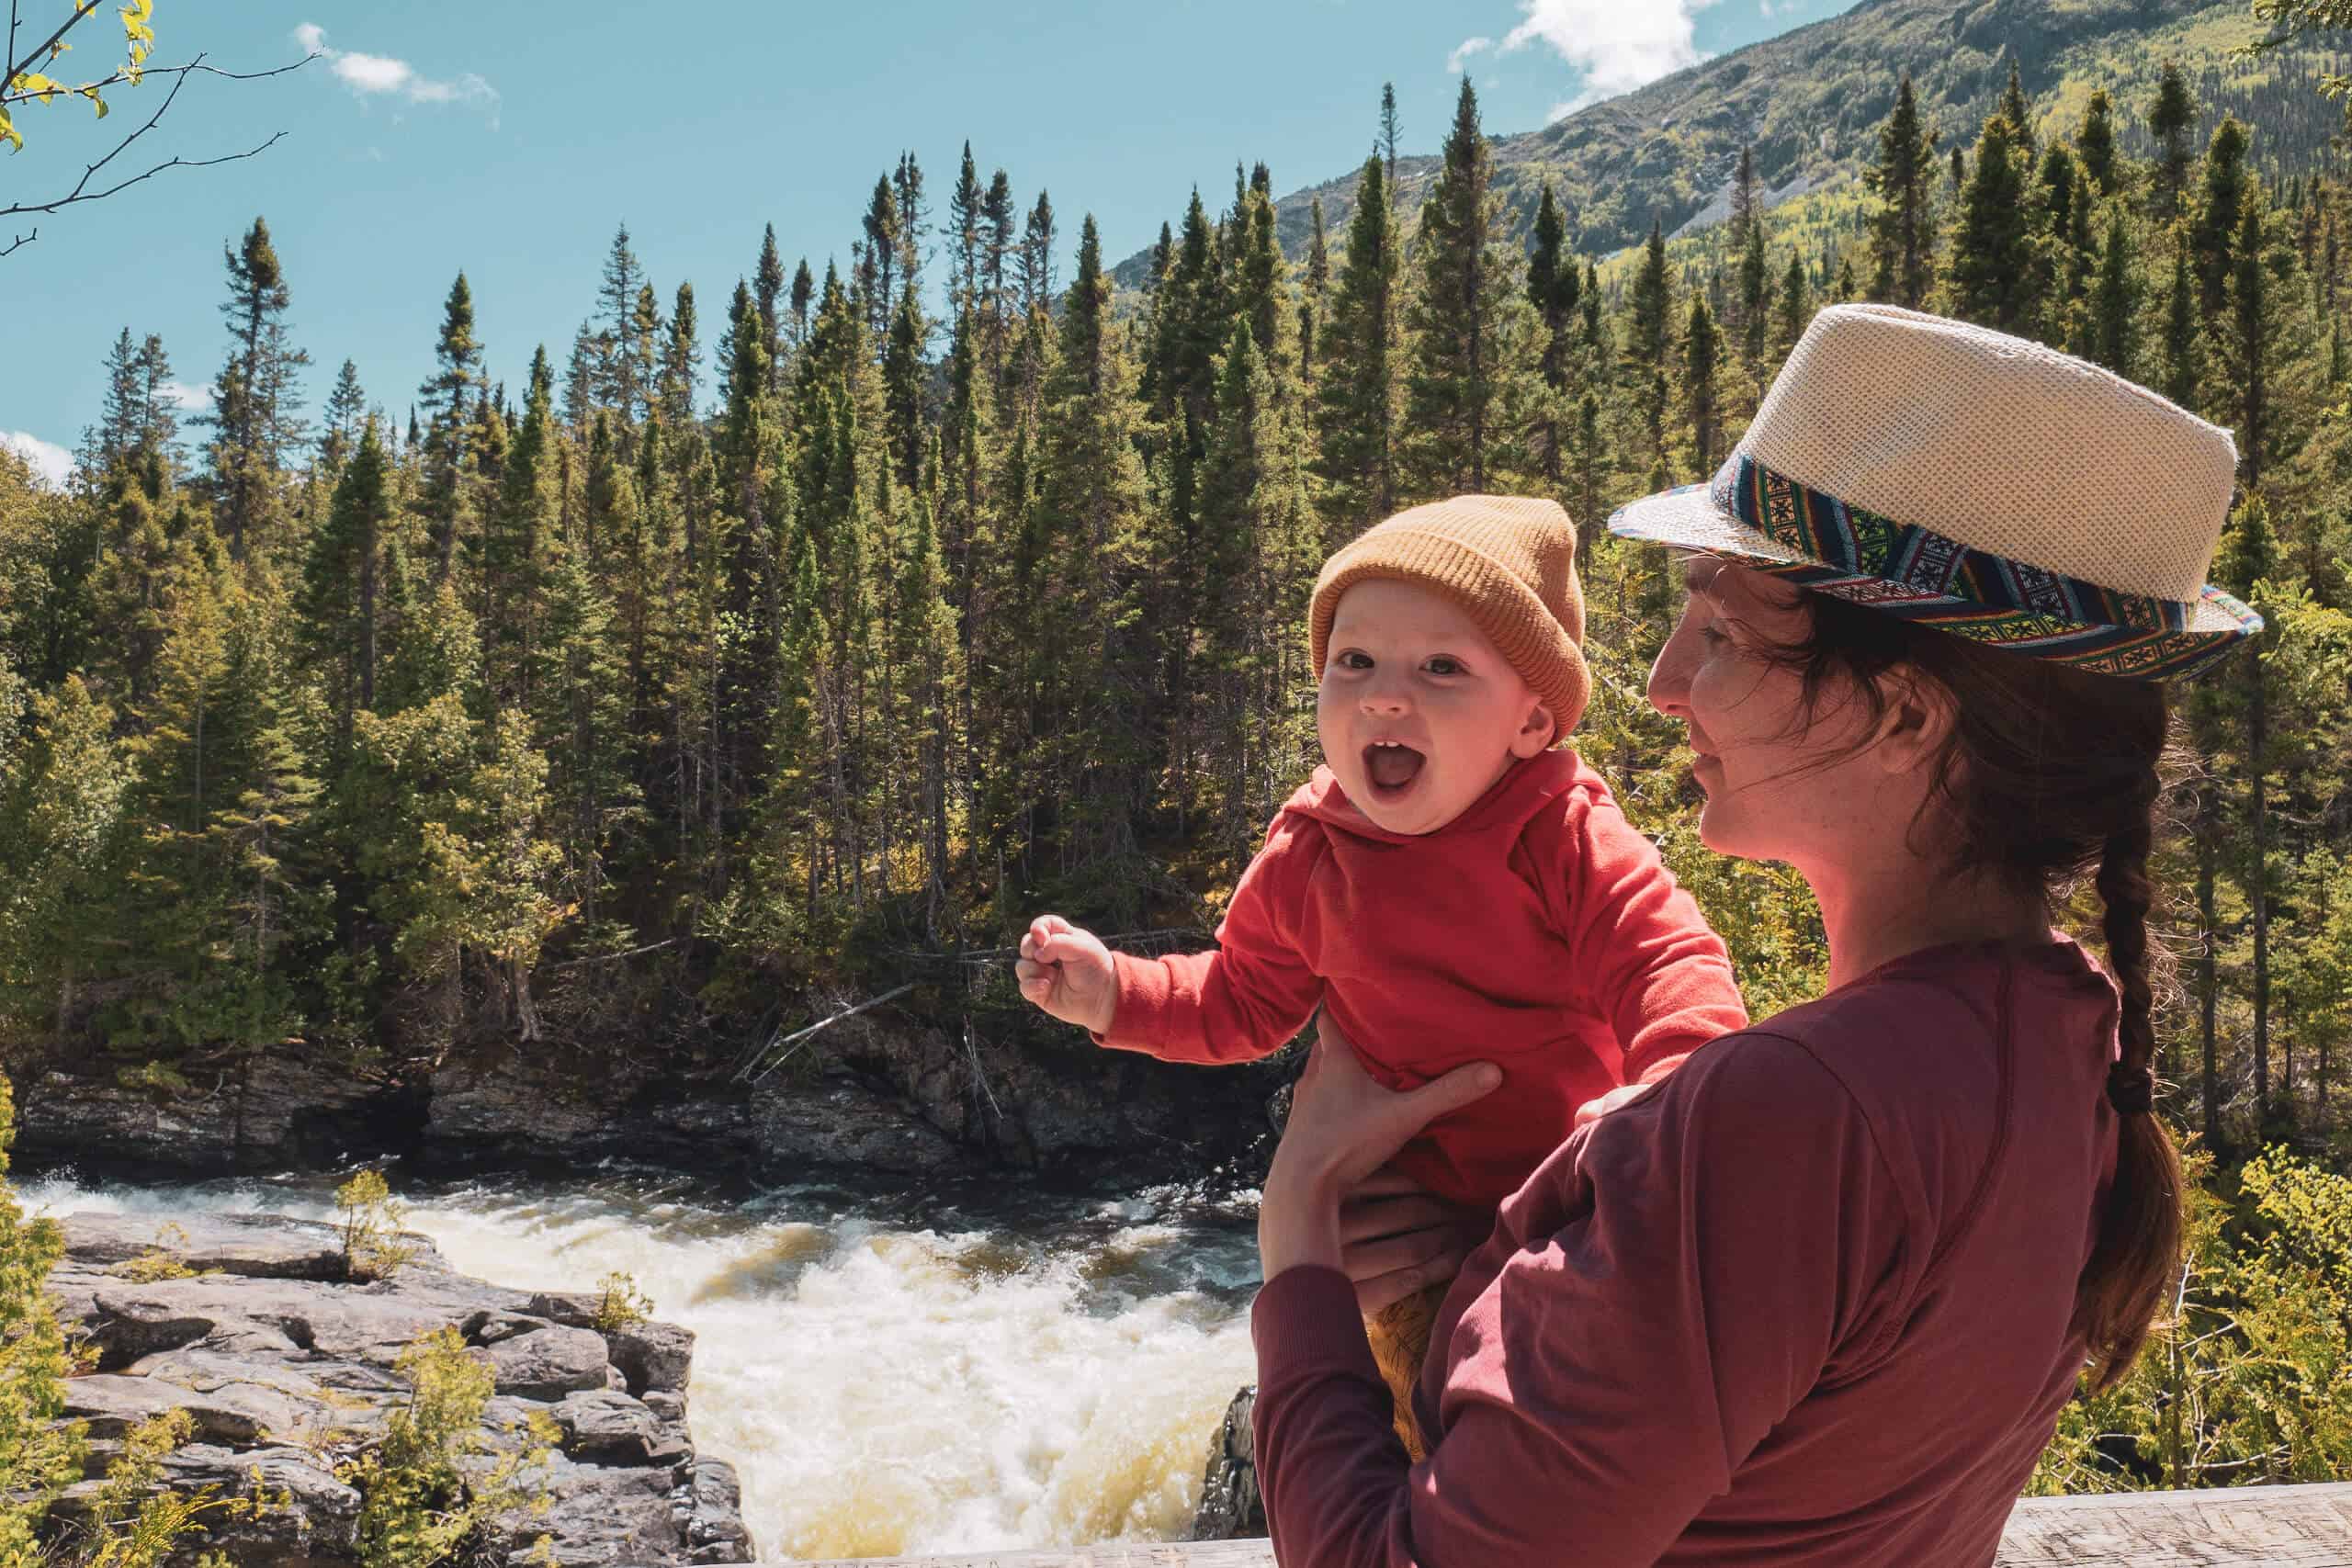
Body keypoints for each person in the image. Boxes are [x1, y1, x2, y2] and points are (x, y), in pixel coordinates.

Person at [1250, 302, 2263, 1565]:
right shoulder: (2064, 1037)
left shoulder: (1790, 1116)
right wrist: (1510, 1273)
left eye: (1719, 630)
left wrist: (1298, 1236)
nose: (1662, 682)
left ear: (1903, 717)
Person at [1014, 495, 1746, 1455]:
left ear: (1532, 721)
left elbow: (1666, 959)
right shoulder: (1311, 853)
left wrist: (1677, 1089)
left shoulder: (1560, 830)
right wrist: (1115, 992)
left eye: (1441, 668)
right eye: (1353, 661)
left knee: (1584, 1425)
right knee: (1435, 1424)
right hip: (1407, 1235)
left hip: (1576, 1217)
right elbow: (1240, 1000)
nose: (1384, 697)